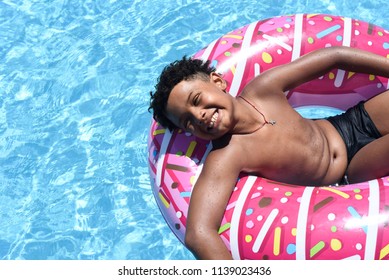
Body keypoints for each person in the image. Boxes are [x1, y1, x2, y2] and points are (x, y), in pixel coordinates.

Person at [149, 46, 389, 259]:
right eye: (187, 121)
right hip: (351, 169)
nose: (198, 115)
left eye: (197, 99)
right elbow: (199, 233)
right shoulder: (226, 156)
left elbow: (334, 57)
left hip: (351, 122)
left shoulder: (263, 89)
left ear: (217, 82)